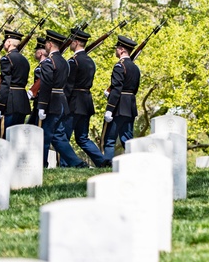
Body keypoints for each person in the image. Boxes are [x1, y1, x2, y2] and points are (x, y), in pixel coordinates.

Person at [36, 29, 84, 167]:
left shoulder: (48, 62)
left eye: (46, 43)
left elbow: (46, 86)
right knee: (58, 136)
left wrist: (42, 106)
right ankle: (77, 163)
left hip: (51, 103)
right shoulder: (65, 62)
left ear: (50, 44)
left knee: (45, 136)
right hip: (62, 102)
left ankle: (42, 164)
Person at [65, 27, 107, 167]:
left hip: (74, 103)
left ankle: (66, 164)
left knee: (63, 137)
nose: (70, 43)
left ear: (76, 42)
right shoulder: (90, 61)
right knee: (82, 138)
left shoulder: (73, 61)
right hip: (86, 102)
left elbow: (69, 86)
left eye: (71, 41)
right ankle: (101, 162)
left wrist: (63, 104)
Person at [102, 35, 142, 162]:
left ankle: (107, 164)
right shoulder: (135, 68)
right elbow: (134, 89)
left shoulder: (119, 66)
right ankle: (134, 162)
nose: (116, 51)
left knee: (109, 139)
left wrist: (109, 108)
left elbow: (117, 88)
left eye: (117, 48)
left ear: (122, 50)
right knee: (127, 139)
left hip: (118, 107)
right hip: (130, 106)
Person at [0, 29, 31, 138]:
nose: (4, 44)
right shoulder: (24, 60)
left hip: (10, 102)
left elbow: (6, 84)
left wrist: (0, 106)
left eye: (5, 41)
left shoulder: (7, 59)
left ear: (9, 42)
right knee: (17, 137)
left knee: (4, 136)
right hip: (22, 101)